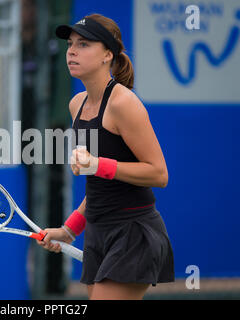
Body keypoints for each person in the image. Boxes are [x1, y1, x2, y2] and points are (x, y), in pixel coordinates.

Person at [37, 14, 175, 300]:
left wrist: (98, 164)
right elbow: (101, 186)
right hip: (98, 234)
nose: (72, 51)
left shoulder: (124, 103)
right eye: (70, 44)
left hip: (134, 233)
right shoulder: (77, 105)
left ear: (107, 55)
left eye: (84, 44)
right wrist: (68, 229)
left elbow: (159, 174)